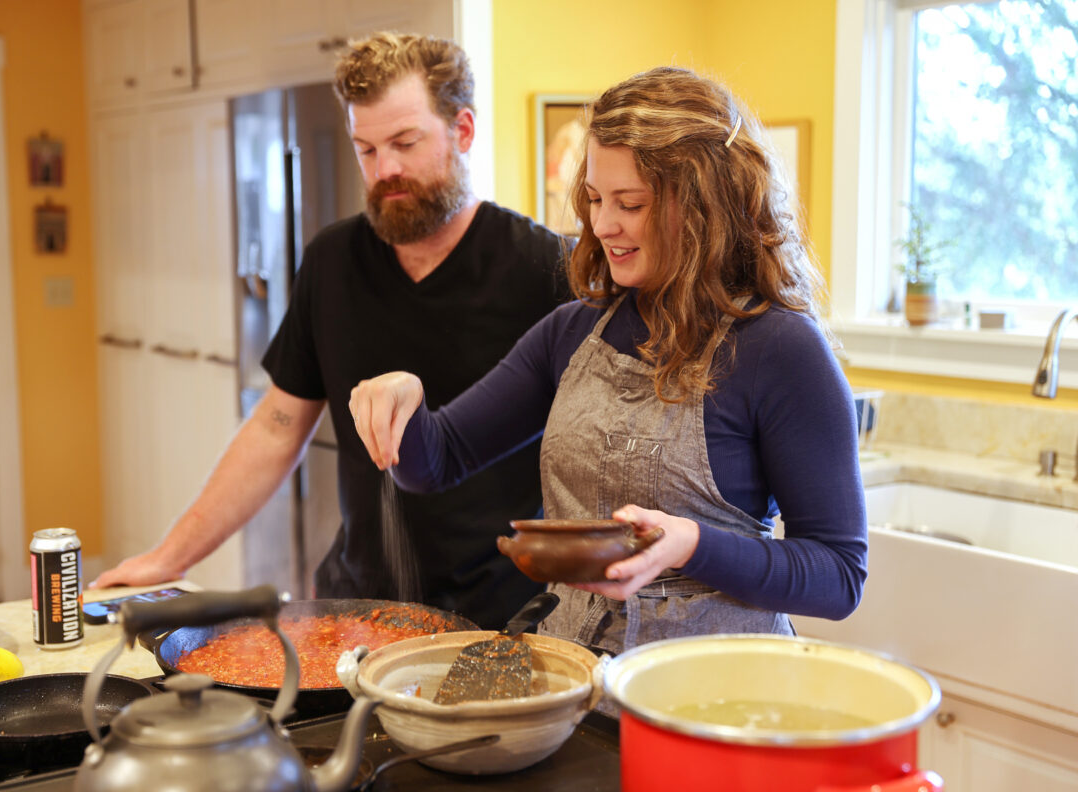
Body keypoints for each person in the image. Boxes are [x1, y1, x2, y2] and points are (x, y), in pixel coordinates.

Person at [349, 66, 867, 656]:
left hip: (716, 695)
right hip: (576, 687)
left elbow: (838, 576)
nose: (602, 224)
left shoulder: (780, 348)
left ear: (705, 208)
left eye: (631, 203)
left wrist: (690, 543)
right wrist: (405, 403)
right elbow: (435, 461)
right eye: (595, 198)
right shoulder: (571, 333)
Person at [91, 32, 571, 630]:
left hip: (502, 615)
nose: (385, 169)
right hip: (358, 605)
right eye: (365, 149)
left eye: (405, 142)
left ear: (463, 131)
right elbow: (276, 427)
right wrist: (168, 557)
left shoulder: (546, 268)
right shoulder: (332, 259)